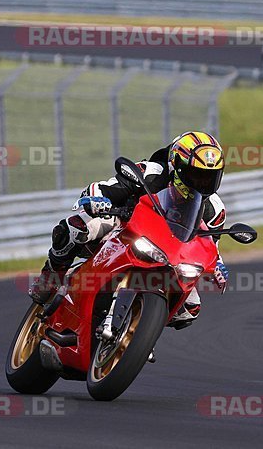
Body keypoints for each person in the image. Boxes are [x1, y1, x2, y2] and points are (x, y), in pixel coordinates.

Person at [29, 131, 230, 328]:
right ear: (176, 166)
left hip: (171, 254)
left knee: (190, 308)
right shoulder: (151, 173)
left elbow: (208, 245)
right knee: (76, 227)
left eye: (209, 177)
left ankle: (139, 327)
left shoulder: (214, 209)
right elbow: (103, 187)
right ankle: (52, 275)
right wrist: (99, 199)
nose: (201, 183)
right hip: (124, 226)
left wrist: (218, 266)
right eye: (195, 175)